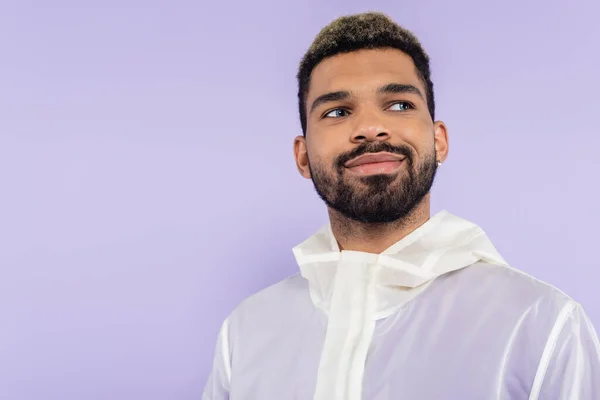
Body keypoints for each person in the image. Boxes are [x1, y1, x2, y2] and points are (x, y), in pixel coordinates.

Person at [202, 12, 600, 400]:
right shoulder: (245, 332)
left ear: (439, 139)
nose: (371, 128)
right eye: (337, 112)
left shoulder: (541, 326)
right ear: (303, 156)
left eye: (398, 105)